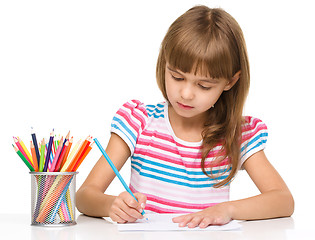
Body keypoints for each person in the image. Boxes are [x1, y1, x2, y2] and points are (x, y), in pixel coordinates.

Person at [76, 5, 294, 228]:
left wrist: (227, 209)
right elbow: (84, 196)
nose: (186, 94)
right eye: (177, 77)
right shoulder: (139, 122)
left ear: (230, 82)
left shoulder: (237, 134)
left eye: (203, 85)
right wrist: (111, 205)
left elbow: (283, 200)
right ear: (165, 63)